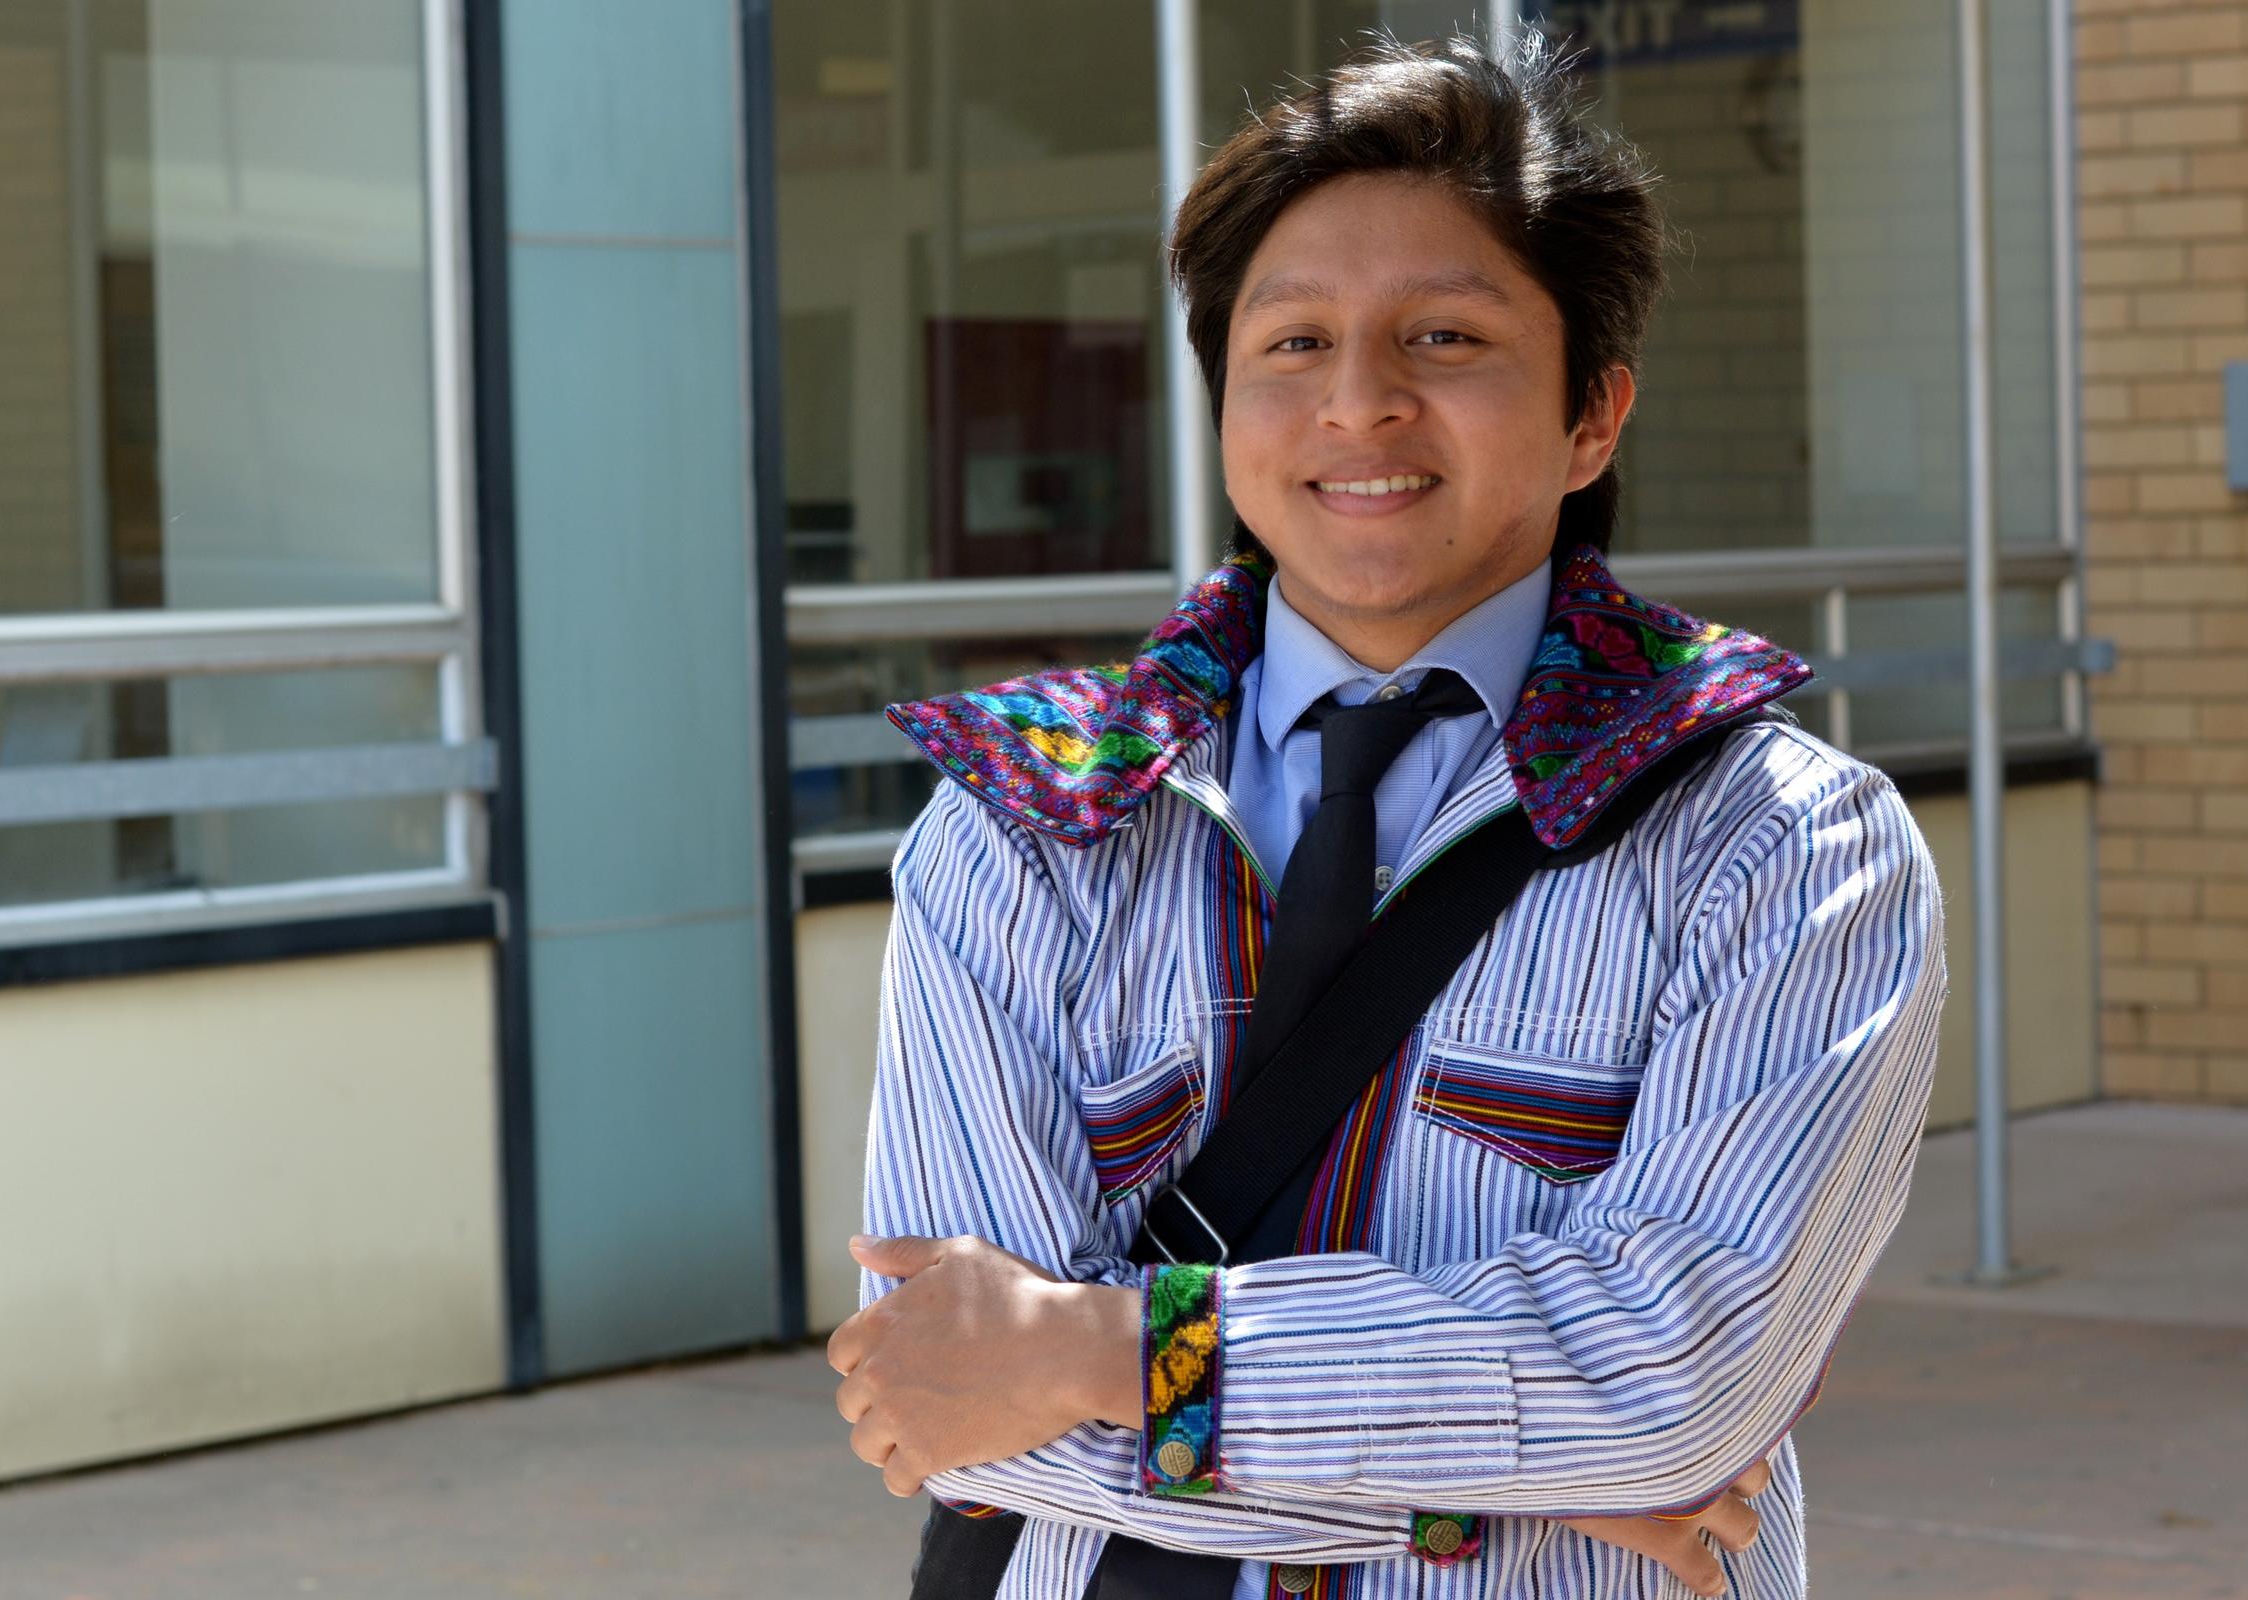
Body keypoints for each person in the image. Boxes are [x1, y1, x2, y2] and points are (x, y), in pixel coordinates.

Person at [827, 29, 1945, 1600]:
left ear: (1593, 417)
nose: (1360, 403)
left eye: (1444, 337)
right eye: (1293, 342)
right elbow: (963, 1417)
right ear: (1226, 401)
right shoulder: (1029, 819)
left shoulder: (1782, 844)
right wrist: (1510, 1490)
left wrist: (1094, 1350)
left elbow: (1678, 1380)